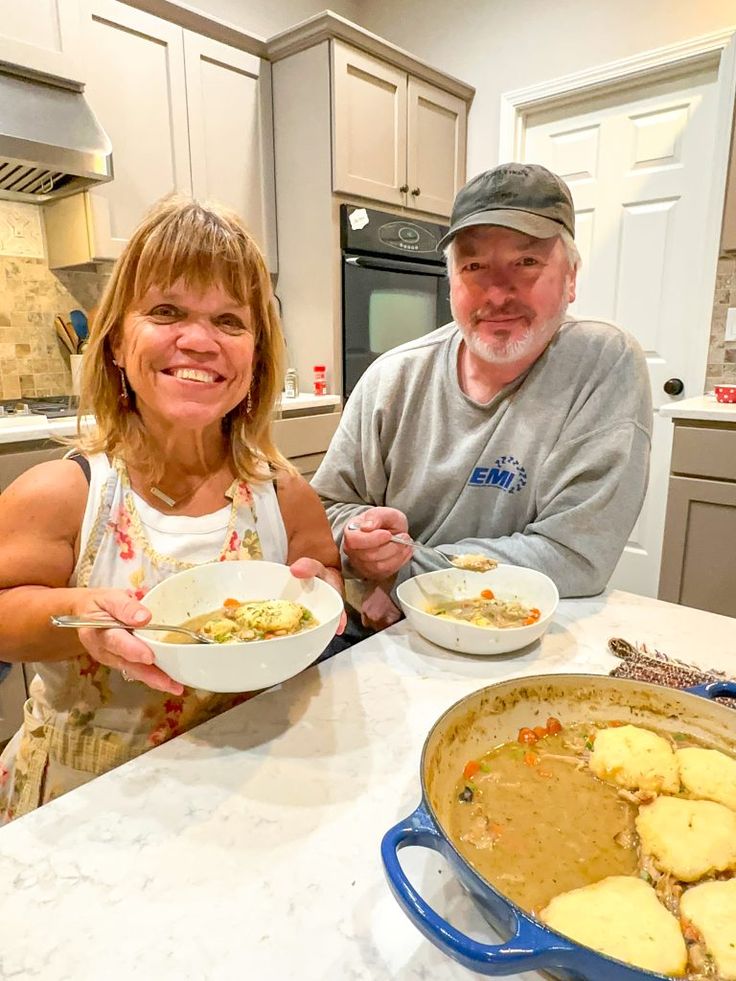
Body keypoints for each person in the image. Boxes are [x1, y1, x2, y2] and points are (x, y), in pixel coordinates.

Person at [0, 196, 344, 822]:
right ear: (115, 345)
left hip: (249, 776)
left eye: (230, 322)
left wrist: (322, 595)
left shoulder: (283, 494)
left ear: (256, 358)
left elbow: (325, 575)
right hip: (88, 800)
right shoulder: (62, 495)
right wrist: (75, 613)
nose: (199, 341)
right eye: (166, 312)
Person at [312, 162, 652, 637]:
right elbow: (326, 507)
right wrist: (360, 541)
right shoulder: (391, 377)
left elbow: (575, 555)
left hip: (524, 638)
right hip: (379, 638)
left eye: (526, 262)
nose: (497, 293)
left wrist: (409, 576)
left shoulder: (603, 362)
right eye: (474, 267)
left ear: (571, 277)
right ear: (451, 281)